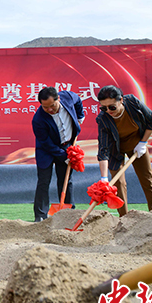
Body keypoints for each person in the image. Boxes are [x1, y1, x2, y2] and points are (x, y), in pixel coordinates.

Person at [96, 85, 152, 216]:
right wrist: (104, 178)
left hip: (137, 144)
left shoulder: (132, 103)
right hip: (115, 149)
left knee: (147, 180)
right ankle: (123, 219)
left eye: (112, 107)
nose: (108, 111)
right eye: (104, 108)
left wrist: (143, 143)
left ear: (121, 100)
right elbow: (103, 149)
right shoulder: (103, 118)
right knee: (118, 184)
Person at [32, 87, 85, 222]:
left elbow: (78, 100)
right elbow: (46, 143)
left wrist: (80, 116)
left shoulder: (68, 97)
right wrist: (64, 156)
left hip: (66, 145)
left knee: (66, 180)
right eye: (45, 107)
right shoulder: (38, 119)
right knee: (44, 181)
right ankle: (40, 215)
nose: (50, 109)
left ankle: (69, 212)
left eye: (52, 105)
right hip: (46, 151)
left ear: (58, 99)